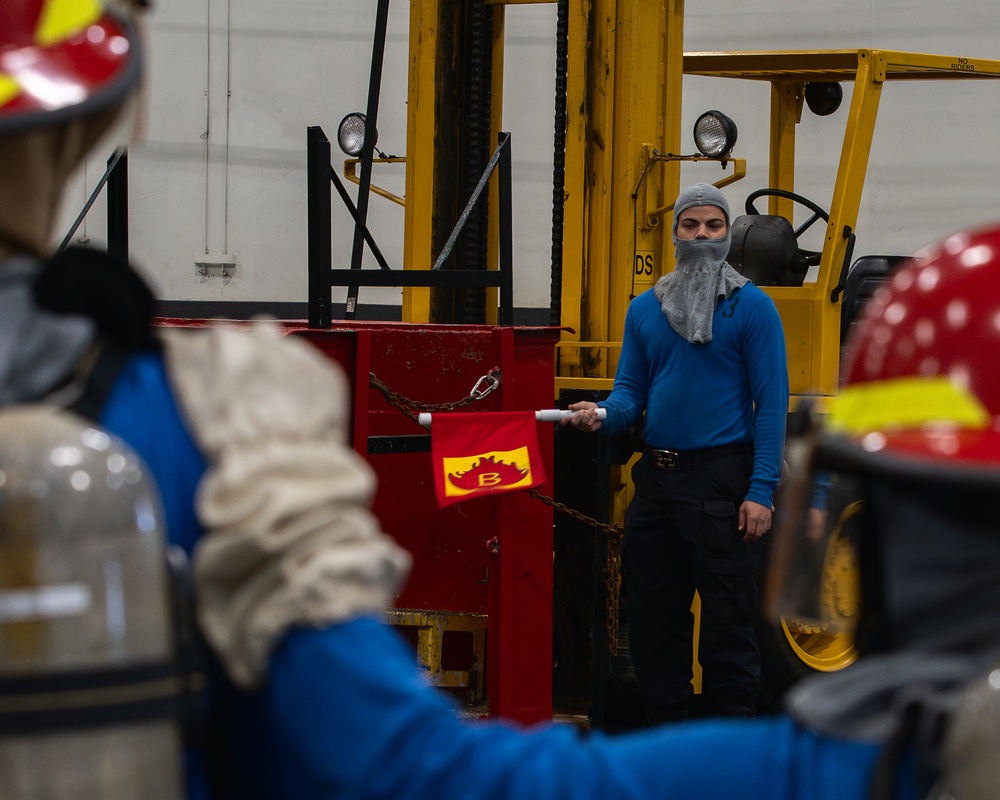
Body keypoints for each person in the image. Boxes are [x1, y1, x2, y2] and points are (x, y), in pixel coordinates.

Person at [563, 182, 789, 721]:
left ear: (728, 235)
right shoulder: (644, 311)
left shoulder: (752, 308)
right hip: (657, 489)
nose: (702, 236)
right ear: (674, 235)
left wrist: (761, 491)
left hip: (723, 485)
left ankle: (729, 757)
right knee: (654, 625)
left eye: (714, 226)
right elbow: (630, 395)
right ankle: (667, 747)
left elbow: (773, 404)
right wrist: (600, 414)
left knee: (728, 629)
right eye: (692, 226)